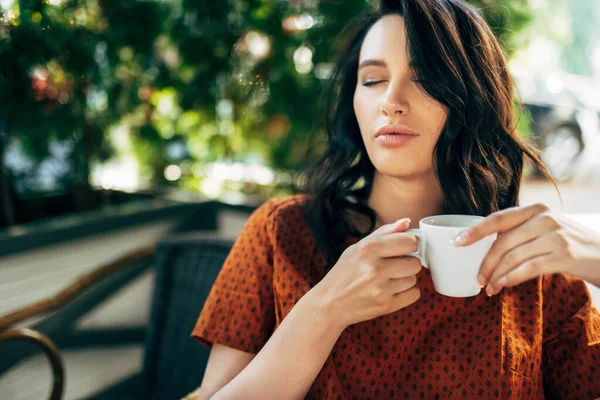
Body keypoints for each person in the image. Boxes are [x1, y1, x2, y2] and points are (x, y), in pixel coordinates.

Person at [190, 0, 600, 398]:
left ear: (473, 101)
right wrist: (324, 310)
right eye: (372, 80)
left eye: (424, 79)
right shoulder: (281, 233)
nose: (391, 102)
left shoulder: (531, 263)